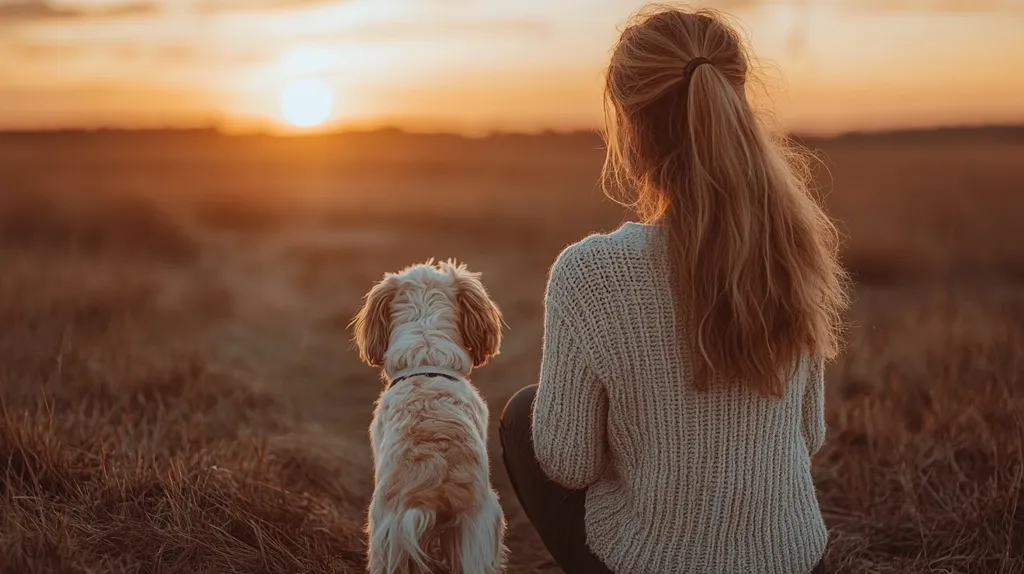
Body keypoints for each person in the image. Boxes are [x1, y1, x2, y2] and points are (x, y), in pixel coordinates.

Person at [498, 5, 850, 574]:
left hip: (651, 562)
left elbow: (569, 464)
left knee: (520, 415)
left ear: (631, 129)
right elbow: (808, 434)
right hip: (791, 559)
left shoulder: (591, 274)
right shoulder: (794, 247)